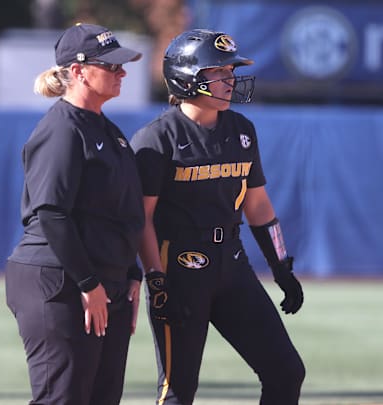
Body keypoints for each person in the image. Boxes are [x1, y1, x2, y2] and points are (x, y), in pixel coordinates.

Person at [130, 29, 306, 405]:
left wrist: (280, 267)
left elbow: (257, 205)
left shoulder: (242, 130)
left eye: (231, 72)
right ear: (186, 76)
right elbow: (140, 219)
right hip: (179, 268)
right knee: (178, 391)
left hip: (232, 264)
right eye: (219, 72)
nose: (230, 80)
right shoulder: (156, 139)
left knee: (286, 372)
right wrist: (156, 279)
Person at [4, 23, 145, 405]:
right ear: (79, 72)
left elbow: (119, 212)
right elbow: (51, 213)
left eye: (121, 65)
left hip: (102, 283)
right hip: (59, 282)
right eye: (112, 66)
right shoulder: (62, 129)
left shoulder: (107, 130)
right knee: (62, 399)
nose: (122, 73)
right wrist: (88, 284)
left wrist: (131, 273)